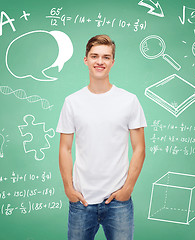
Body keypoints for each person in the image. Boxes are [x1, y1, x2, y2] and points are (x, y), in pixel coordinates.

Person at [56, 34, 147, 240]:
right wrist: (68, 189)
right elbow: (65, 148)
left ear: (113, 62)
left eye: (106, 57)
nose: (100, 61)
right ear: (86, 60)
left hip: (118, 201)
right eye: (94, 56)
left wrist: (127, 189)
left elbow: (139, 148)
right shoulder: (72, 102)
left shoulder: (129, 101)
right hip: (81, 200)